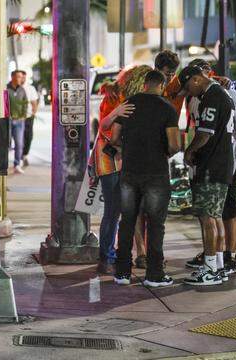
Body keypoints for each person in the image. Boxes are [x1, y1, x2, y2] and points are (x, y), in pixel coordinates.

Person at [110, 70, 180, 287]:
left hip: (130, 172)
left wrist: (129, 149)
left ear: (145, 84)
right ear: (161, 85)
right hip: (156, 173)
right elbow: (175, 144)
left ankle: (122, 273)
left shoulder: (129, 104)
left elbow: (114, 137)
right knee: (156, 224)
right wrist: (164, 153)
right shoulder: (167, 107)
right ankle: (154, 274)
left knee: (127, 221)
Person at [183, 59, 236, 275]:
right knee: (213, 213)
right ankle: (216, 258)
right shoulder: (198, 97)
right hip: (211, 162)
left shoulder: (222, 94)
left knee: (221, 212)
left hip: (220, 163)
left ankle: (222, 260)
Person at [90, 65, 151, 274]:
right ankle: (106, 257)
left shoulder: (135, 98)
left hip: (127, 159)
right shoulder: (116, 96)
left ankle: (115, 254)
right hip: (110, 159)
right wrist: (116, 111)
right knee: (113, 210)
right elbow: (104, 126)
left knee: (125, 210)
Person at [179, 66, 235, 286]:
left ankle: (210, 269)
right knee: (215, 216)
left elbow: (205, 133)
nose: (189, 93)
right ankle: (218, 266)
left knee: (207, 218)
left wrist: (190, 151)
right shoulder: (222, 94)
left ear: (195, 80)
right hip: (222, 165)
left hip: (212, 165)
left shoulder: (212, 96)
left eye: (187, 88)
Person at [6, 70, 28, 174]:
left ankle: (17, 164)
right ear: (13, 77)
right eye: (19, 77)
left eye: (21, 77)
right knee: (6, 144)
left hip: (19, 121)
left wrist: (23, 116)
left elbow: (25, 104)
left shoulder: (22, 90)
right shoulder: (6, 88)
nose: (21, 79)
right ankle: (3, 164)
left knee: (19, 144)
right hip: (8, 120)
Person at [21, 76, 39, 167]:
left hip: (28, 117)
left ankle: (24, 155)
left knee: (28, 136)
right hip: (16, 118)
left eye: (23, 77)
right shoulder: (12, 87)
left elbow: (34, 102)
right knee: (19, 137)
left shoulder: (30, 88)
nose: (21, 79)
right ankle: (20, 156)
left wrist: (33, 113)